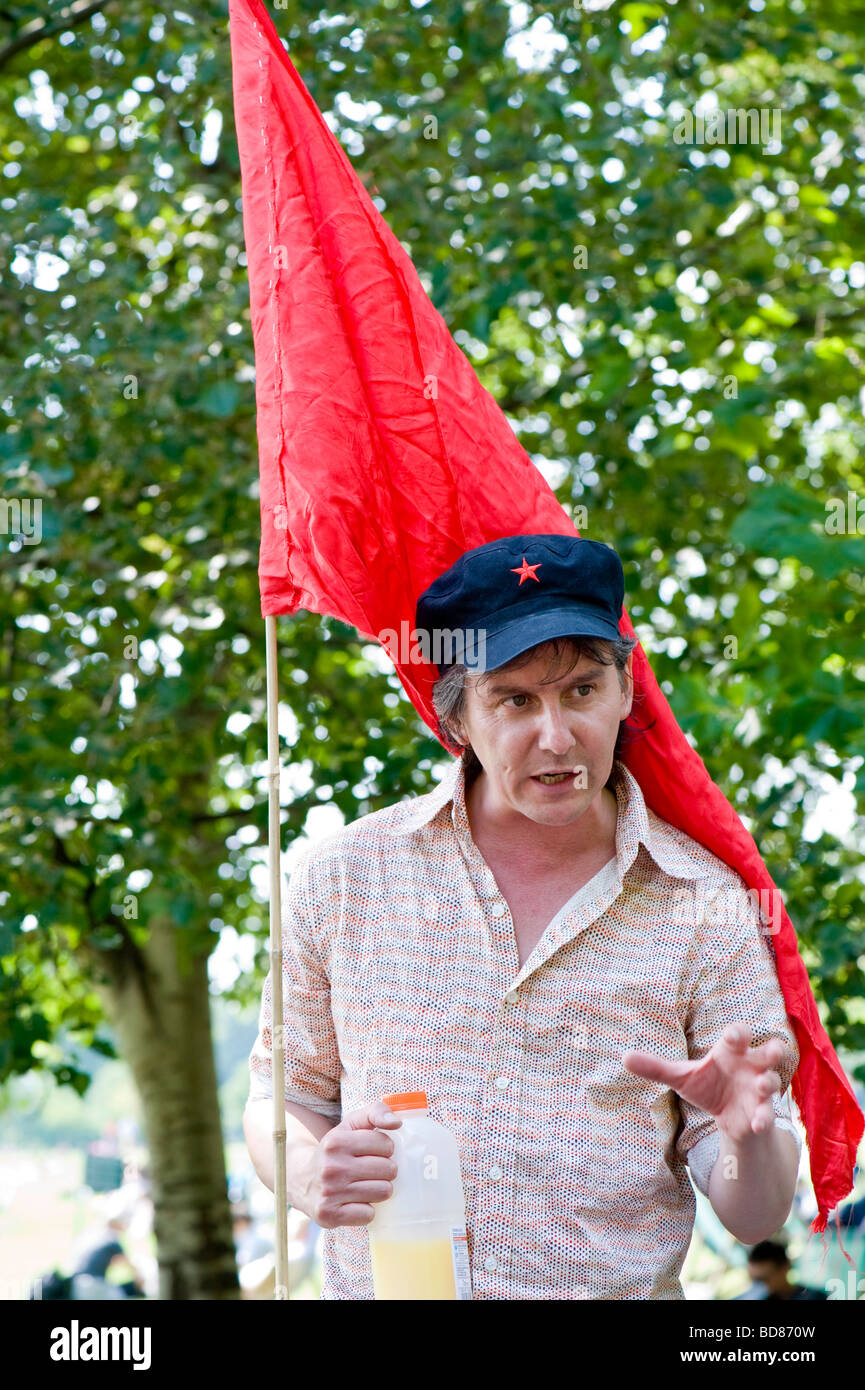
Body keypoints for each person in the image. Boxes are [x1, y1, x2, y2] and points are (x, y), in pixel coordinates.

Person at [244, 533, 802, 1299]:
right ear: (457, 720)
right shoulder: (342, 877)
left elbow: (753, 1214)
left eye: (580, 691)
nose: (555, 735)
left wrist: (751, 1136)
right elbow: (287, 1096)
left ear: (624, 690)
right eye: (513, 699)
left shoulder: (704, 905)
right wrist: (310, 1175)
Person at [739, 1239, 829, 1300]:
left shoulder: (815, 1297)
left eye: (764, 1279)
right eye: (755, 1280)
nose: (759, 1286)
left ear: (784, 1267)